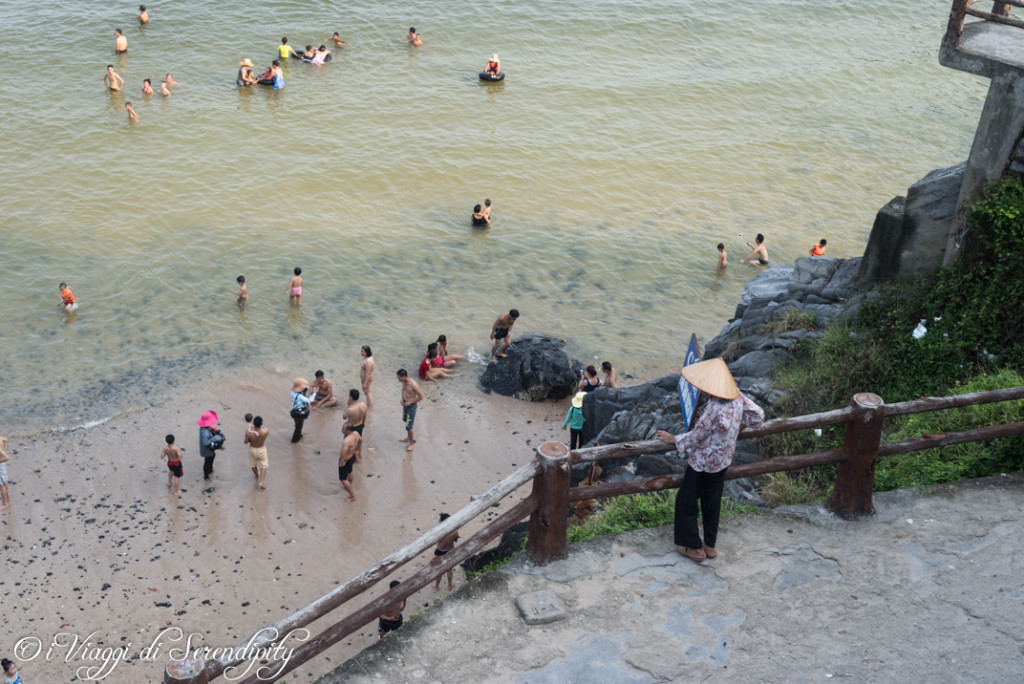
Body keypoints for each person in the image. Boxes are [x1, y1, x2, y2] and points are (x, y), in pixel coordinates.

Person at [655, 358, 765, 563]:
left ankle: (694, 548)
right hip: (722, 461)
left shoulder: (715, 407)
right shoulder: (737, 396)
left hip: (702, 463)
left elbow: (698, 435)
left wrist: (674, 439)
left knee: (686, 502)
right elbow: (758, 415)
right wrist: (736, 429)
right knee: (712, 502)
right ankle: (710, 546)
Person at [397, 369, 424, 452]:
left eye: (399, 378)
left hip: (411, 406)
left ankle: (411, 443)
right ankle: (408, 437)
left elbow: (421, 397)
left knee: (409, 426)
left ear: (404, 376)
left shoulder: (413, 385)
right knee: (405, 420)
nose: (398, 379)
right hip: (405, 404)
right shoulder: (404, 382)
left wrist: (410, 403)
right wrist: (402, 399)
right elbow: (403, 390)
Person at [431, 513, 460, 591]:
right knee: (449, 569)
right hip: (450, 550)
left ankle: (436, 586)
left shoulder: (438, 531)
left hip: (440, 551)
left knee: (439, 570)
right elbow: (455, 540)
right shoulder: (455, 531)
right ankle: (450, 586)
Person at [197, 410, 225, 481]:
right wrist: (216, 438)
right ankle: (206, 477)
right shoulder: (204, 431)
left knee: (212, 456)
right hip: (206, 449)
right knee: (207, 462)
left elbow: (211, 431)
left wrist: (217, 433)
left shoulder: (207, 427)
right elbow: (205, 442)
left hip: (209, 448)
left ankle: (210, 470)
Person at [244, 416, 269, 490]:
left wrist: (249, 438)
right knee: (264, 465)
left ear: (253, 424)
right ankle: (261, 482)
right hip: (261, 449)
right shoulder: (266, 431)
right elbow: (263, 431)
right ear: (262, 423)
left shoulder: (249, 433)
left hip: (252, 449)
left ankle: (257, 476)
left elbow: (245, 442)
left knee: (253, 464)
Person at [342, 389, 368, 461]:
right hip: (360, 425)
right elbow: (365, 415)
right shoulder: (364, 405)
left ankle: (352, 457)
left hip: (352, 427)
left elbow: (344, 417)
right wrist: (363, 423)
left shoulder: (351, 409)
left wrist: (347, 405)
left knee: (348, 443)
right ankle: (360, 453)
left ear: (350, 397)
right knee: (359, 440)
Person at [338, 422, 361, 501]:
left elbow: (343, 453)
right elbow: (361, 441)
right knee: (350, 471)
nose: (341, 430)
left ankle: (352, 496)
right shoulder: (356, 433)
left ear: (348, 431)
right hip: (352, 456)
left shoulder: (346, 441)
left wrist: (341, 462)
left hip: (346, 460)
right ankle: (349, 484)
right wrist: (356, 450)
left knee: (343, 479)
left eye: (343, 429)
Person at [289, 377, 317, 443]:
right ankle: (295, 441)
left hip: (293, 411)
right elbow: (309, 400)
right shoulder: (300, 396)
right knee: (299, 427)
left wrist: (311, 386)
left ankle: (299, 435)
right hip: (299, 412)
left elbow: (304, 391)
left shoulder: (292, 392)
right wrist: (315, 393)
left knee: (297, 425)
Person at [0, 437, 11, 511]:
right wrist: (2, 448)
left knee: (1, 486)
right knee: (4, 482)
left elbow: (7, 457)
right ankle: (7, 497)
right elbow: (5, 440)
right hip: (2, 464)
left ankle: (5, 503)